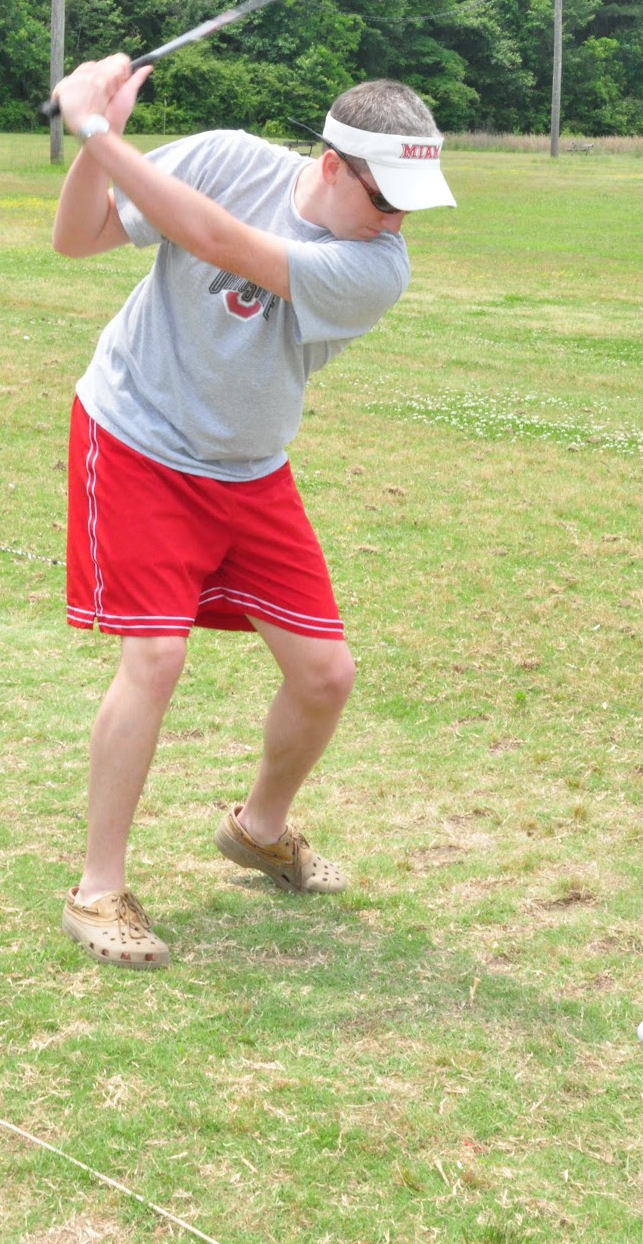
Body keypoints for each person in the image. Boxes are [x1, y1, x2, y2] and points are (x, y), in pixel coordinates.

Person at [50, 53, 455, 968]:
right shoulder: (224, 158)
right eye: (384, 197)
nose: (396, 220)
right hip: (140, 434)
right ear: (330, 164)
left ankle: (258, 829)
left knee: (325, 677)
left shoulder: (376, 268)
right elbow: (78, 238)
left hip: (248, 464)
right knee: (154, 655)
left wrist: (98, 130)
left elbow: (222, 244)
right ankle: (97, 890)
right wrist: (94, 144)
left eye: (410, 205)